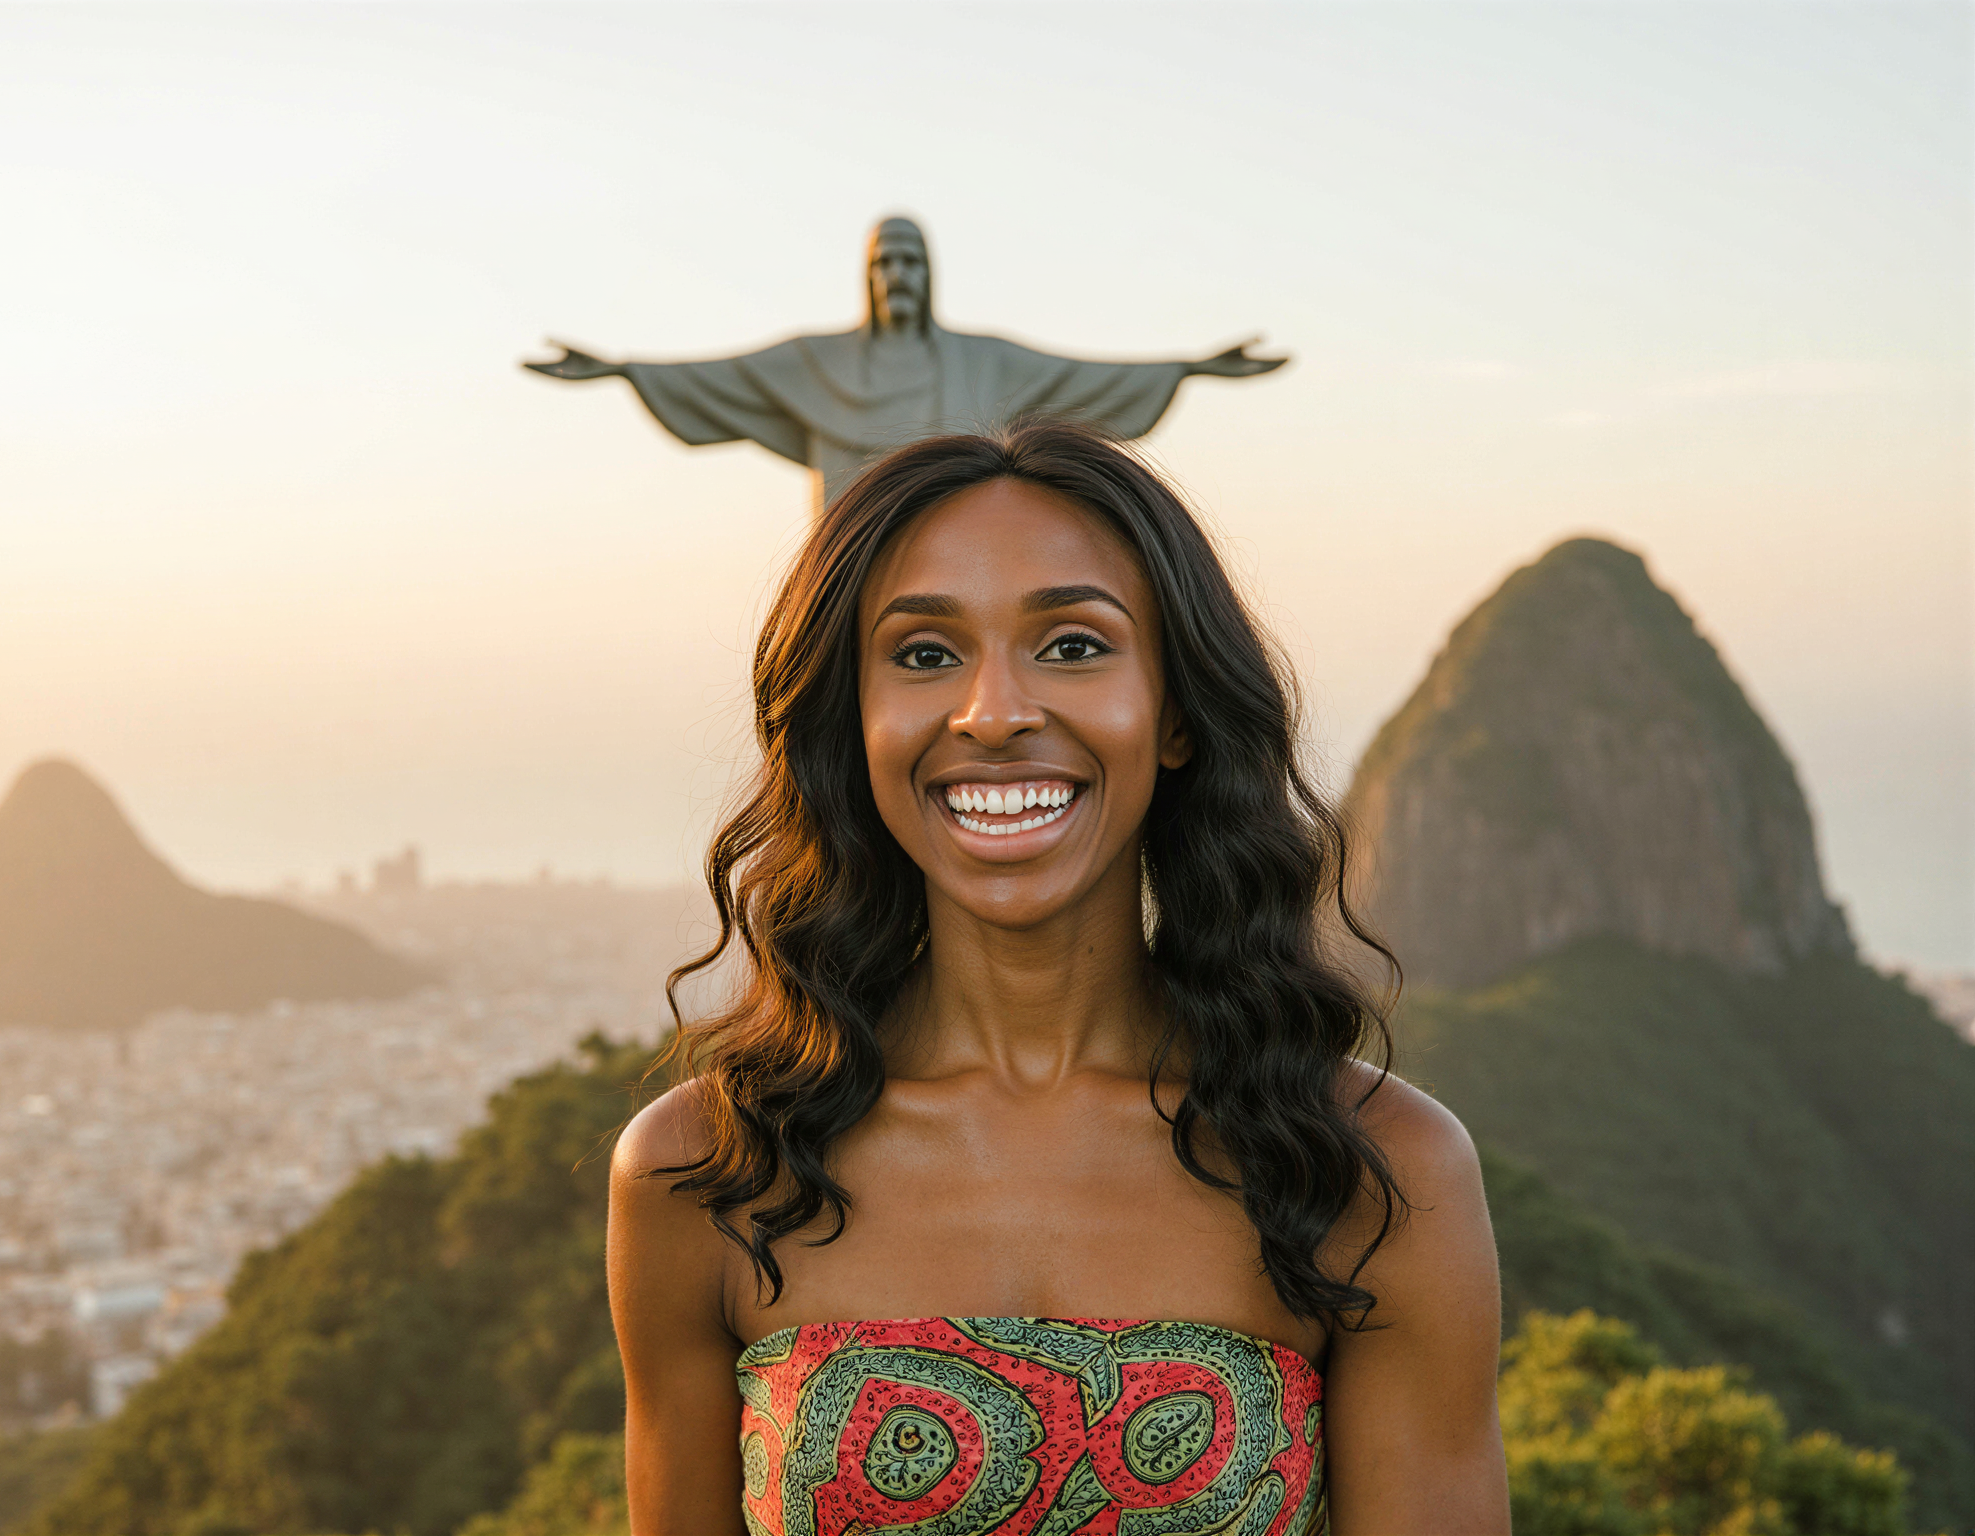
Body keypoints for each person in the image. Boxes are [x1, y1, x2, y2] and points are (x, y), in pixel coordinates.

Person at [610, 420, 1508, 1532]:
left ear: (1174, 713)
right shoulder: (705, 1173)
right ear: (854, 721)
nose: (993, 714)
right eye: (924, 654)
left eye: (1073, 646)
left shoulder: (1372, 1171)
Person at [525, 216, 1286, 509]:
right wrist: (621, 370)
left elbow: (1080, 377)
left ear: (929, 278)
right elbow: (720, 377)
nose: (899, 278)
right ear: (867, 276)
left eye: (912, 265)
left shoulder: (980, 365)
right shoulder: (817, 364)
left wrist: (1190, 368)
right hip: (850, 548)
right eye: (886, 264)